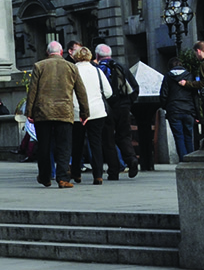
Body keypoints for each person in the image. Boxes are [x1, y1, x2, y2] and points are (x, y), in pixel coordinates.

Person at [26, 40, 90, 188]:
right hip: (64, 111)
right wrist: (84, 112)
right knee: (64, 146)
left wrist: (29, 111)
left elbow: (32, 91)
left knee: (44, 146)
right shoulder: (71, 67)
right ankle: (63, 178)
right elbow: (81, 91)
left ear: (48, 53)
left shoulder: (39, 66)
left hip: (43, 112)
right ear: (61, 52)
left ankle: (45, 177)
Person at [69, 45, 111, 184]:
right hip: (97, 111)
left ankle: (76, 173)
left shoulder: (72, 70)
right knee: (96, 143)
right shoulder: (97, 71)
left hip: (77, 111)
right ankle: (98, 175)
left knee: (77, 144)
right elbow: (108, 92)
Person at [96, 44, 139, 178]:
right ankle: (131, 159)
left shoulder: (98, 70)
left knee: (108, 140)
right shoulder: (122, 67)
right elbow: (135, 87)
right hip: (123, 107)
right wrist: (127, 103)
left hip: (106, 108)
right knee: (124, 136)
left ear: (97, 56)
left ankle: (113, 171)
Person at [131, 60, 166, 171]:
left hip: (139, 108)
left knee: (144, 132)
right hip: (146, 110)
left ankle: (146, 163)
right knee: (145, 132)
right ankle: (148, 164)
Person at [163, 58, 201, 160]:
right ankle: (191, 159)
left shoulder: (167, 77)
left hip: (174, 110)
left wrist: (166, 107)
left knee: (178, 136)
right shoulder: (189, 76)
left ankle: (183, 159)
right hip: (188, 110)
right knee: (189, 136)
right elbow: (195, 96)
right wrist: (197, 114)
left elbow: (163, 95)